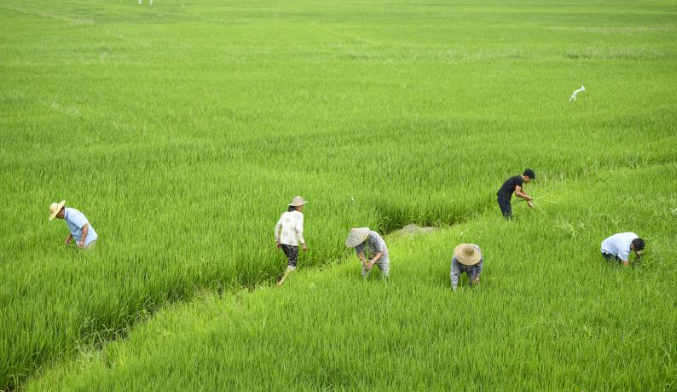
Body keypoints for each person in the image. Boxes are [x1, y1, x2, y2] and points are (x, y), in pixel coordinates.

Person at [274, 196, 308, 285]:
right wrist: (303, 243)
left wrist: (277, 240)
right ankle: (280, 283)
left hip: (283, 243)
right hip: (292, 243)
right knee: (292, 264)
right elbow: (298, 230)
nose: (302, 207)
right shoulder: (300, 215)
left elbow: (277, 227)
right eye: (302, 206)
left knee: (291, 261)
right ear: (298, 206)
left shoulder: (285, 214)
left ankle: (293, 280)